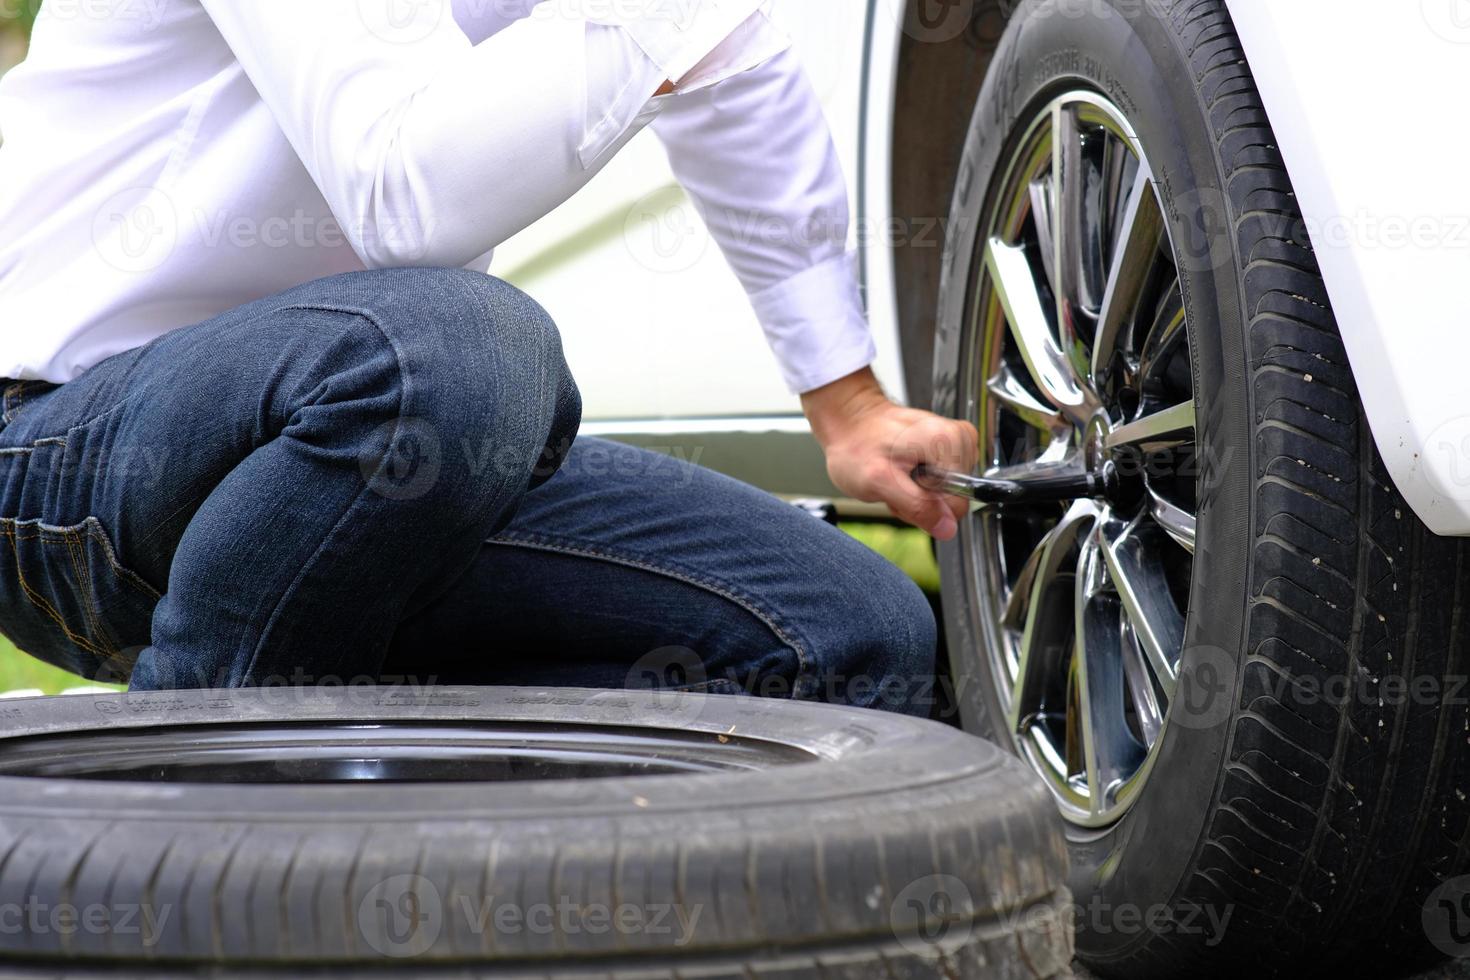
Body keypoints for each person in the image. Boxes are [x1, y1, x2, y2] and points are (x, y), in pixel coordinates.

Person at [0, 0, 977, 713]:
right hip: (68, 451)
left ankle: (444, 864)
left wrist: (846, 404)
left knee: (854, 635)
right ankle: (172, 802)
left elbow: (738, 69)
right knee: (464, 351)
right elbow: (402, 189)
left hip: (355, 472)